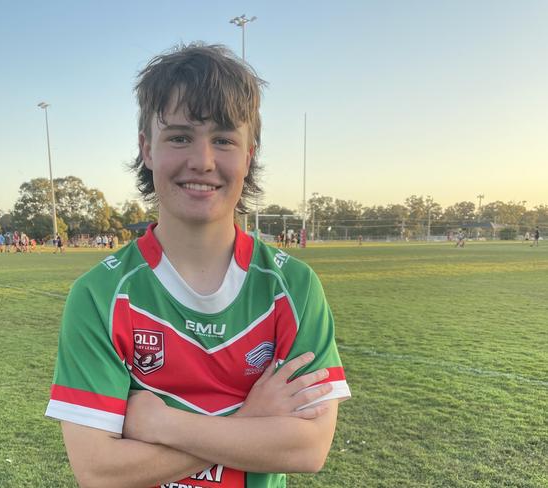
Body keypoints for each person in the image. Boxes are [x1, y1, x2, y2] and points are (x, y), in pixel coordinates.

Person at [45, 44, 350, 488]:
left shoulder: (294, 287)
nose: (203, 162)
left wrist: (161, 423)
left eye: (224, 139)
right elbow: (99, 470)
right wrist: (252, 419)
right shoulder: (99, 295)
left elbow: (308, 447)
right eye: (180, 137)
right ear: (147, 149)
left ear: (249, 154)